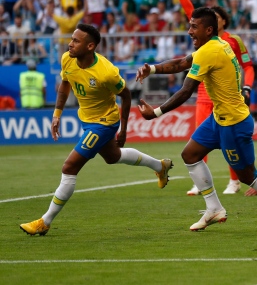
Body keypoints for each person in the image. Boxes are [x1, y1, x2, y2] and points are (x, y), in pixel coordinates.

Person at [135, 7, 257, 230]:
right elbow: (181, 63)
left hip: (233, 123)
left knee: (248, 176)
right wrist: (152, 68)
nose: (189, 31)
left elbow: (187, 90)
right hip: (219, 117)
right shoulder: (217, 44)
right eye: (189, 25)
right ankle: (214, 208)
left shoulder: (211, 51)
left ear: (208, 30)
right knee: (190, 154)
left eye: (194, 27)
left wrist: (156, 112)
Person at [19, 24, 173, 236]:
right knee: (113, 157)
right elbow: (65, 83)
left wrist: (125, 128)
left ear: (90, 46)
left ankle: (45, 221)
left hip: (104, 122)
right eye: (71, 39)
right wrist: (57, 114)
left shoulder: (107, 72)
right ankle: (160, 166)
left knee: (69, 167)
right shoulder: (67, 59)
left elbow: (126, 95)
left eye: (76, 41)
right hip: (86, 119)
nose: (70, 44)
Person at [170, 0, 256, 196]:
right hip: (203, 96)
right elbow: (190, 11)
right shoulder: (204, 40)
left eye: (216, 18)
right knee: (200, 139)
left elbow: (248, 66)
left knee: (230, 142)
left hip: (227, 96)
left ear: (223, 22)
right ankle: (201, 182)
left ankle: (234, 181)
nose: (212, 20)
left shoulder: (233, 41)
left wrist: (247, 87)